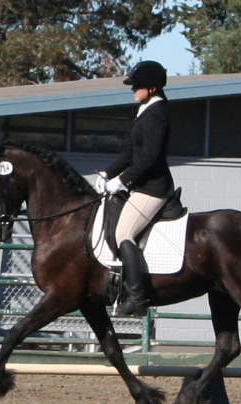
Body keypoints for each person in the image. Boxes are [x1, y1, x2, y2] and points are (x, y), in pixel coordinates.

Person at [94, 60, 175, 317]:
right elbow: (130, 153)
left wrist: (123, 181)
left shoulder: (157, 115)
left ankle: (137, 299)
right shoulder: (144, 112)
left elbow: (149, 159)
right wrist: (107, 172)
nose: (133, 90)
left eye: (137, 86)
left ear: (151, 88)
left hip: (153, 188)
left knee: (123, 234)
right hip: (139, 185)